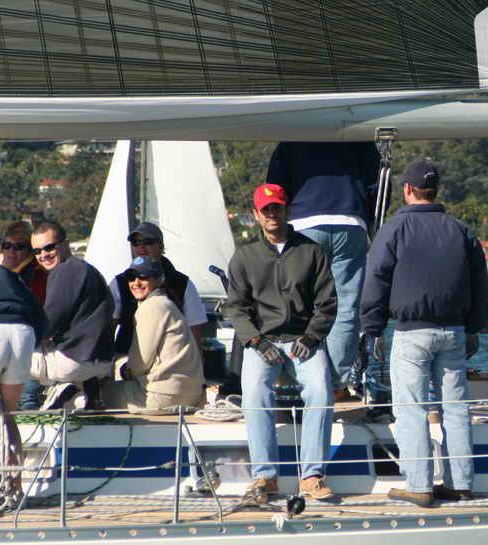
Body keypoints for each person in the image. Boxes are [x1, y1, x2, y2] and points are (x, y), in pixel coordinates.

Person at [360, 161, 488, 508]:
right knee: (456, 410)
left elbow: (376, 280)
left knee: (411, 410)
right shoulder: (461, 230)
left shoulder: (394, 229)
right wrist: (474, 326)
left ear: (406, 190)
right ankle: (461, 483)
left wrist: (372, 329)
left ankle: (419, 485)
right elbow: (480, 283)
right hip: (454, 331)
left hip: (412, 332)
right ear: (436, 190)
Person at [224, 183, 338, 505]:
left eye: (277, 207)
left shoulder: (312, 252)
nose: (272, 214)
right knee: (254, 393)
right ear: (256, 214)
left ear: (287, 210)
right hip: (264, 342)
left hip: (304, 341)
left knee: (321, 391)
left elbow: (327, 303)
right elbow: (236, 308)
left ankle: (312, 476)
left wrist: (312, 336)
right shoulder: (244, 256)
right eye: (266, 209)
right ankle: (265, 477)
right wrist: (256, 341)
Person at [266, 141, 380, 400]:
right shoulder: (359, 136)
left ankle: (303, 379)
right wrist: (370, 223)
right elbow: (376, 185)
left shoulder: (290, 140)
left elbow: (275, 188)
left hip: (304, 221)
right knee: (346, 307)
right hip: (351, 222)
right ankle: (337, 385)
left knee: (301, 304)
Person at [101, 257, 205, 411]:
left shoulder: (152, 306)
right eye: (131, 277)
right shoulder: (166, 303)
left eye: (143, 277)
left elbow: (140, 364)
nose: (136, 283)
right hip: (190, 393)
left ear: (159, 280)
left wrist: (123, 368)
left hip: (163, 395)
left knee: (96, 394)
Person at [0, 264, 47, 507]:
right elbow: (40, 315)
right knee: (7, 416)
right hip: (22, 333)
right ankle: (15, 489)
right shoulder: (7, 275)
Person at [29, 221, 114, 408]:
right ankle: (80, 395)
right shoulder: (91, 271)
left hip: (73, 360)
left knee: (3, 355)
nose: (43, 255)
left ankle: (58, 388)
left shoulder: (66, 270)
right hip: (102, 362)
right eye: (36, 251)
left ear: (65, 244)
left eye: (49, 247)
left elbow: (48, 323)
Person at [109, 221, 208, 353]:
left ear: (161, 245)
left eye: (148, 241)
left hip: (170, 360)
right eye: (135, 242)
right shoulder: (119, 283)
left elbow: (195, 331)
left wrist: (198, 360)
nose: (141, 246)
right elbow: (108, 329)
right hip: (127, 358)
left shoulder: (183, 284)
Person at [0, 222, 47, 410]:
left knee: (27, 399)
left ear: (29, 251)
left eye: (18, 247)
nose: (11, 251)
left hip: (29, 348)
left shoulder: (37, 275)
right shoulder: (1, 274)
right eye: (7, 245)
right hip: (3, 347)